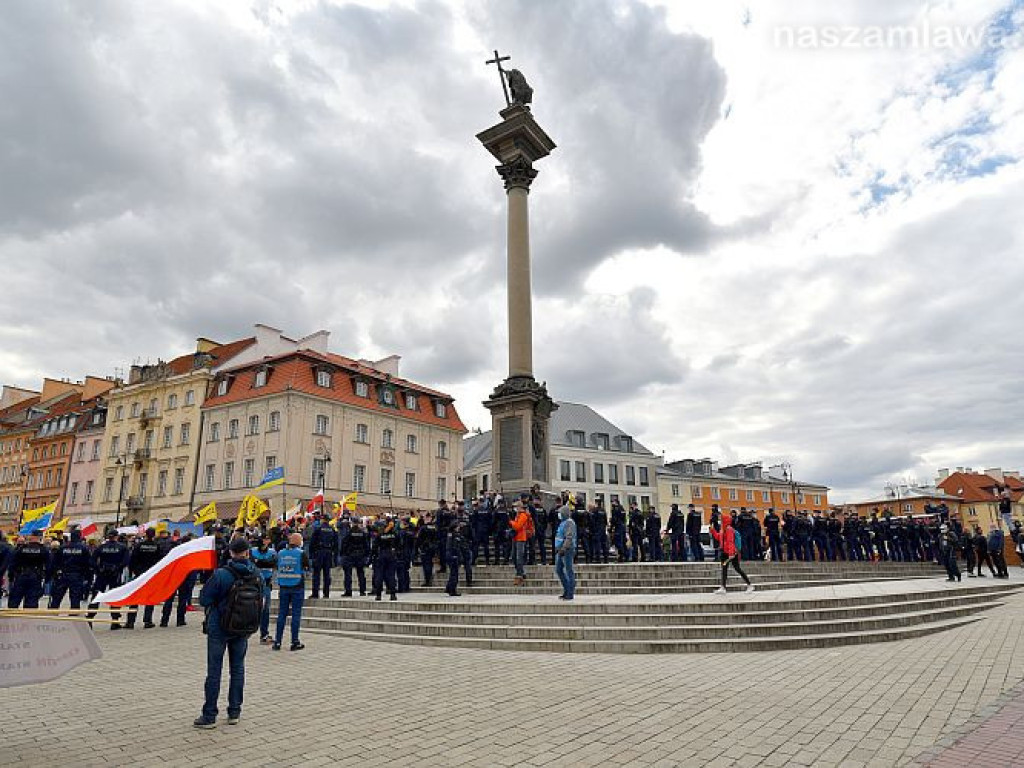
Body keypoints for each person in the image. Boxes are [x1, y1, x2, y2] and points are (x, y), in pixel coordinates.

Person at [194, 536, 261, 729]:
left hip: (219, 627)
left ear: (231, 553)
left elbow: (205, 599)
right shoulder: (256, 573)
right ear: (248, 552)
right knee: (237, 669)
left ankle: (209, 715)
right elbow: (262, 601)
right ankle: (234, 712)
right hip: (243, 626)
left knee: (214, 671)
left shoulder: (222, 574)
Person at [273, 533, 310, 651]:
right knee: (296, 615)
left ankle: (277, 642)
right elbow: (306, 568)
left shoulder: (280, 553)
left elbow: (276, 566)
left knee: (282, 614)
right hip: (297, 586)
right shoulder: (301, 553)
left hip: (283, 586)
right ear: (299, 542)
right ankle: (294, 641)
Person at [88, 529, 128, 628]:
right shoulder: (122, 547)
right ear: (116, 536)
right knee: (115, 597)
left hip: (102, 574)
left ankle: (90, 618)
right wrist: (117, 568)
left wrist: (99, 569)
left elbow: (92, 561)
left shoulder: (101, 547)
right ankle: (115, 621)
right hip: (115, 575)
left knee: (96, 596)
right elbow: (126, 561)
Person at [126, 528, 163, 629]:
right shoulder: (157, 546)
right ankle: (147, 621)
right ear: (154, 535)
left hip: (140, 573)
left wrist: (134, 571)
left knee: (135, 597)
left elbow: (132, 559)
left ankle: (130, 622)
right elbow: (160, 561)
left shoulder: (139, 546)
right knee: (150, 598)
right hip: (151, 574)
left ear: (146, 534)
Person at [48, 528, 92, 610]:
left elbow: (54, 563)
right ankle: (74, 617)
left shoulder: (62, 547)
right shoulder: (84, 548)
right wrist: (88, 578)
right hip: (77, 575)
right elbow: (88, 564)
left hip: (63, 575)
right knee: (75, 599)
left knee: (56, 598)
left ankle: (52, 615)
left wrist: (52, 575)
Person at [710, 513, 753, 595]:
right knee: (724, 569)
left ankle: (749, 584)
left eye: (721, 519)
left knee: (737, 569)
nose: (720, 520)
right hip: (725, 552)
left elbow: (730, 542)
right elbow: (719, 537)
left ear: (725, 521)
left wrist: (731, 553)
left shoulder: (729, 529)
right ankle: (723, 587)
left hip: (731, 553)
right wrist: (713, 531)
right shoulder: (723, 530)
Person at [7, 531, 50, 609]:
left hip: (21, 576)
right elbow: (49, 566)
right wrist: (46, 579)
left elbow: (13, 563)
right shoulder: (43, 550)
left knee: (14, 601)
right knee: (31, 603)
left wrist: (11, 577)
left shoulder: (22, 548)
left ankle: (10, 618)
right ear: (40, 537)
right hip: (35, 577)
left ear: (32, 536)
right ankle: (28, 619)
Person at [251, 536, 277, 644]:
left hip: (266, 582)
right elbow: (252, 564)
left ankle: (264, 634)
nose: (266, 541)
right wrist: (264, 562)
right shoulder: (252, 551)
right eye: (264, 539)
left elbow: (273, 564)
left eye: (268, 539)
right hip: (254, 583)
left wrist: (260, 562)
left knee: (265, 609)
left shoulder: (272, 552)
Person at [445, 511, 473, 597]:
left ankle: (449, 588)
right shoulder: (453, 535)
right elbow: (451, 546)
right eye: (457, 526)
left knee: (453, 573)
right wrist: (454, 556)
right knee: (454, 574)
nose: (459, 528)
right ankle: (452, 590)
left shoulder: (455, 535)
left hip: (453, 555)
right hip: (452, 556)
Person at [309, 516, 338, 599]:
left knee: (316, 574)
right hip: (328, 553)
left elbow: (312, 542)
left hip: (319, 553)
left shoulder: (318, 529)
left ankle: (315, 593)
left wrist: (311, 554)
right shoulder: (332, 530)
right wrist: (334, 556)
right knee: (327, 574)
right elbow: (336, 544)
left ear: (323, 520)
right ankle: (326, 593)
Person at [371, 518, 400, 601]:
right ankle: (393, 594)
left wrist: (373, 556)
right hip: (391, 555)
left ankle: (378, 595)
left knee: (379, 575)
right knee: (391, 575)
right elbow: (399, 545)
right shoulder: (394, 534)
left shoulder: (380, 534)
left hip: (381, 555)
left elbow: (374, 547)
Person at [339, 518, 369, 596]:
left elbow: (344, 544)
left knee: (348, 574)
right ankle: (362, 591)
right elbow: (366, 545)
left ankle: (348, 591)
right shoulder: (362, 533)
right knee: (361, 573)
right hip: (360, 555)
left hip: (350, 555)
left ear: (352, 523)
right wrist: (366, 555)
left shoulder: (349, 532)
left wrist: (343, 554)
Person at [554, 501, 577, 601]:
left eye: (560, 512)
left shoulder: (569, 523)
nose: (559, 514)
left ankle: (570, 593)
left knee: (568, 570)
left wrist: (564, 548)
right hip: (560, 549)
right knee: (559, 570)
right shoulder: (563, 522)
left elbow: (569, 537)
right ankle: (566, 589)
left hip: (567, 549)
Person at [414, 514, 438, 587]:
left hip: (425, 548)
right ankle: (429, 579)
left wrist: (417, 549)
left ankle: (427, 581)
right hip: (433, 548)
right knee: (430, 564)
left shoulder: (423, 528)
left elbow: (418, 539)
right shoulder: (434, 528)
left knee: (426, 565)